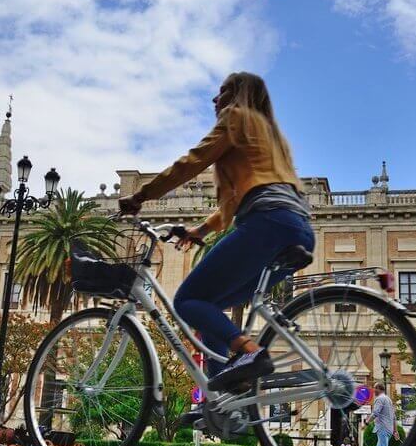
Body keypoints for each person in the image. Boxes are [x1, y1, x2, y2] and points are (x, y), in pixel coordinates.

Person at [118, 72, 315, 391]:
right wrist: (200, 231)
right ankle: (222, 393)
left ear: (238, 96)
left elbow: (191, 163)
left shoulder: (236, 118)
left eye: (222, 92)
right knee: (209, 304)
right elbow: (232, 204)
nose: (215, 99)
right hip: (299, 231)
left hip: (268, 222)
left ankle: (250, 352)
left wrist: (141, 196)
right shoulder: (271, 139)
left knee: (187, 300)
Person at [369, 382, 404, 446]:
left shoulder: (379, 399)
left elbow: (375, 413)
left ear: (379, 389)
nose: (374, 390)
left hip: (382, 428)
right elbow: (393, 417)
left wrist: (366, 422)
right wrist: (395, 431)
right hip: (388, 429)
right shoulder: (388, 400)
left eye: (375, 388)